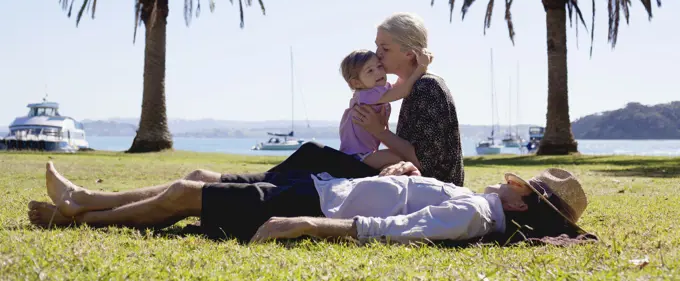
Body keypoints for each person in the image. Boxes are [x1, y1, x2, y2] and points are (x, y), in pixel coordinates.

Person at [28, 162, 588, 246]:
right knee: (198, 175)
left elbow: (396, 228)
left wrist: (306, 226)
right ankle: (83, 199)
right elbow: (404, 199)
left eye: (524, 187)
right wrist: (402, 174)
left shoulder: (474, 215)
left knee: (183, 197)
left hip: (316, 201)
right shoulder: (479, 200)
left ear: (522, 205)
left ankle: (76, 214)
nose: (515, 183)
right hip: (320, 183)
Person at [352, 12, 464, 185]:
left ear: (409, 54)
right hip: (415, 185)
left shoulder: (427, 87)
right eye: (377, 47)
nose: (377, 54)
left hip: (432, 189)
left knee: (313, 155)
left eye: (385, 48)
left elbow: (423, 163)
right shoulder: (411, 86)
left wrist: (379, 131)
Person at [338, 48, 431, 169]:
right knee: (400, 158)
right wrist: (421, 67)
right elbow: (403, 91)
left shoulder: (377, 90)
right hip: (357, 156)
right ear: (356, 83)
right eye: (370, 71)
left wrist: (411, 66)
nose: (378, 72)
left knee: (395, 161)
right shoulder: (366, 95)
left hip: (366, 154)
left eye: (379, 66)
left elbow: (399, 85)